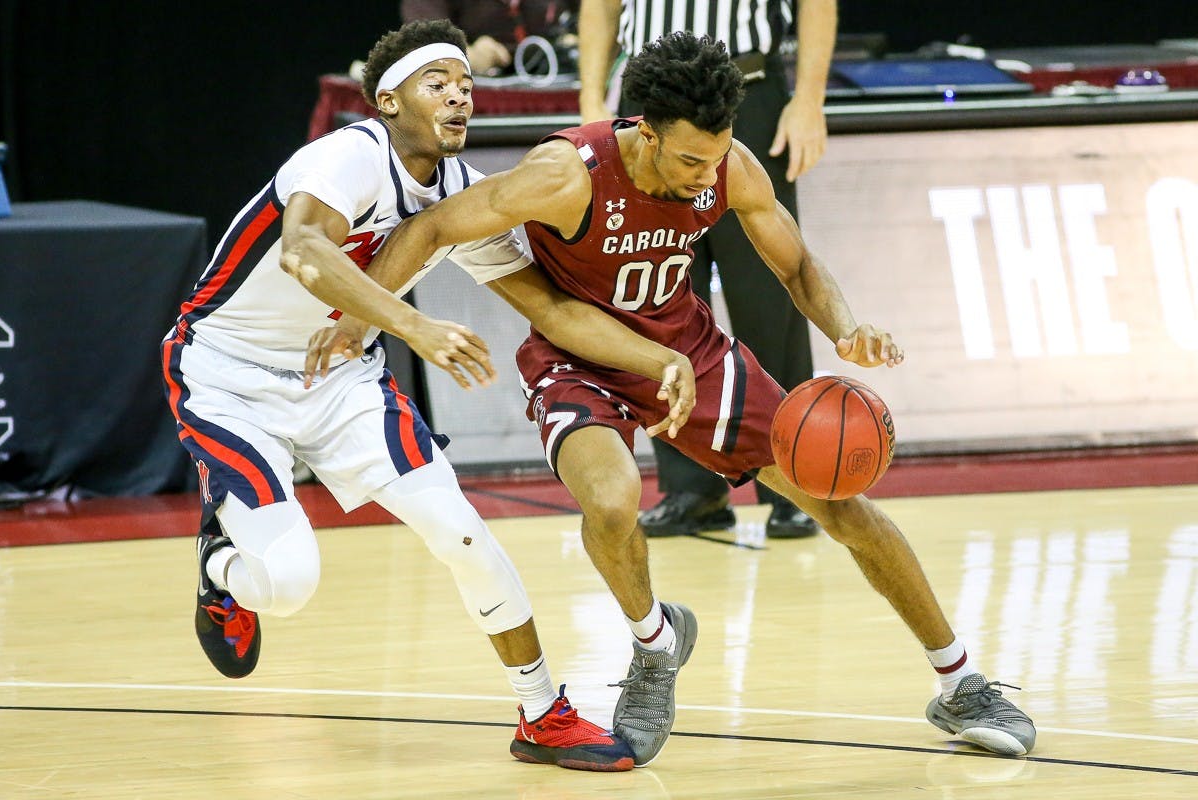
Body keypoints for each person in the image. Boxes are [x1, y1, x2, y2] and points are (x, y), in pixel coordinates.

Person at [310, 31, 1038, 766]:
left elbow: (797, 265)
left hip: (691, 354)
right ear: (646, 133)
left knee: (839, 503)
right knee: (612, 499)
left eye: (715, 157)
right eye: (689, 159)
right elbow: (432, 224)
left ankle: (960, 681)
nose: (704, 176)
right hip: (577, 360)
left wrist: (846, 329)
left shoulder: (728, 167)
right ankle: (655, 647)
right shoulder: (566, 173)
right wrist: (356, 315)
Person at [160, 19, 700, 773]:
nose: (459, 96)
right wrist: (412, 324)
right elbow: (305, 250)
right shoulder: (347, 154)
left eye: (466, 84)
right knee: (287, 583)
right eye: (436, 82)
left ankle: (543, 712)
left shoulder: (462, 195)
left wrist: (659, 355)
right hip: (229, 372)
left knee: (464, 532)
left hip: (341, 381)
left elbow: (551, 309)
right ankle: (223, 566)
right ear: (387, 100)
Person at [577, 0, 837, 540]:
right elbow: (599, 7)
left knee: (768, 294)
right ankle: (691, 487)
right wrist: (589, 99)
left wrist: (809, 97)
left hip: (744, 93)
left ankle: (793, 482)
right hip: (647, 105)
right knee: (653, 299)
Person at [401, 0, 576, 76]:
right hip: (476, 105)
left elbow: (592, 21)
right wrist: (464, 56)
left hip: (561, 89)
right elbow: (425, 42)